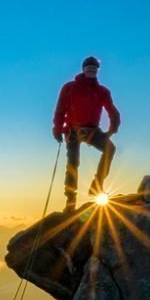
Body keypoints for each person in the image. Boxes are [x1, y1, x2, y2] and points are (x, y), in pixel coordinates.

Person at [52, 56, 121, 211]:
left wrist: (111, 130)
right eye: (88, 67)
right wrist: (57, 129)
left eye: (94, 68)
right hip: (72, 130)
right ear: (83, 69)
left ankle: (97, 185)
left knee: (110, 149)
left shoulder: (103, 91)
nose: (91, 69)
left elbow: (113, 111)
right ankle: (71, 201)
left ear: (97, 70)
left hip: (91, 130)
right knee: (73, 163)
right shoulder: (69, 87)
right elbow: (60, 110)